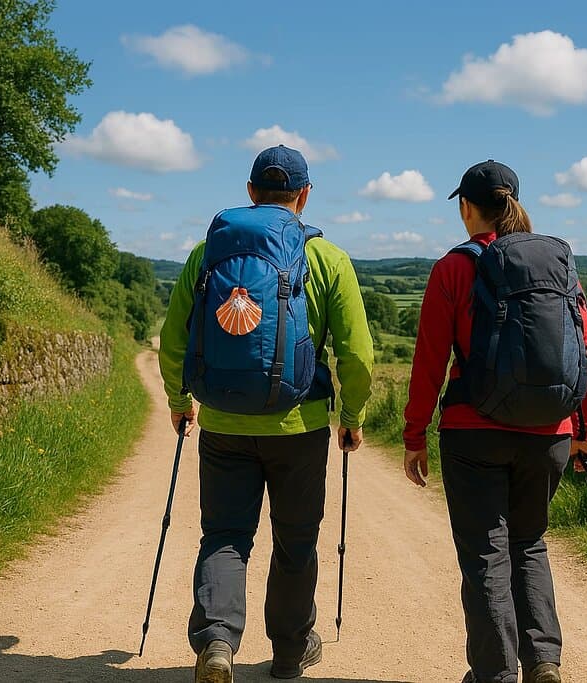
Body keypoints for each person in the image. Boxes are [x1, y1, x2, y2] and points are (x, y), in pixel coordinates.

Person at [159, 145, 373, 682]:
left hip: (225, 423)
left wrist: (179, 400)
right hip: (300, 426)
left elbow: (173, 338)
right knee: (295, 538)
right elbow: (357, 353)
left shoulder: (208, 251)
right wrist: (352, 415)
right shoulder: (328, 259)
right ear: (304, 195)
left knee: (225, 534)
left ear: (251, 192)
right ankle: (288, 652)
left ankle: (216, 641)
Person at [402, 160, 587, 683]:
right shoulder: (556, 265)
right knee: (529, 543)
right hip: (550, 433)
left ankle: (494, 675)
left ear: (467, 208)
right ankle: (543, 663)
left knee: (485, 555)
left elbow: (430, 360)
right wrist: (585, 430)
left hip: (473, 432)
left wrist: (414, 434)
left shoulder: (453, 268)